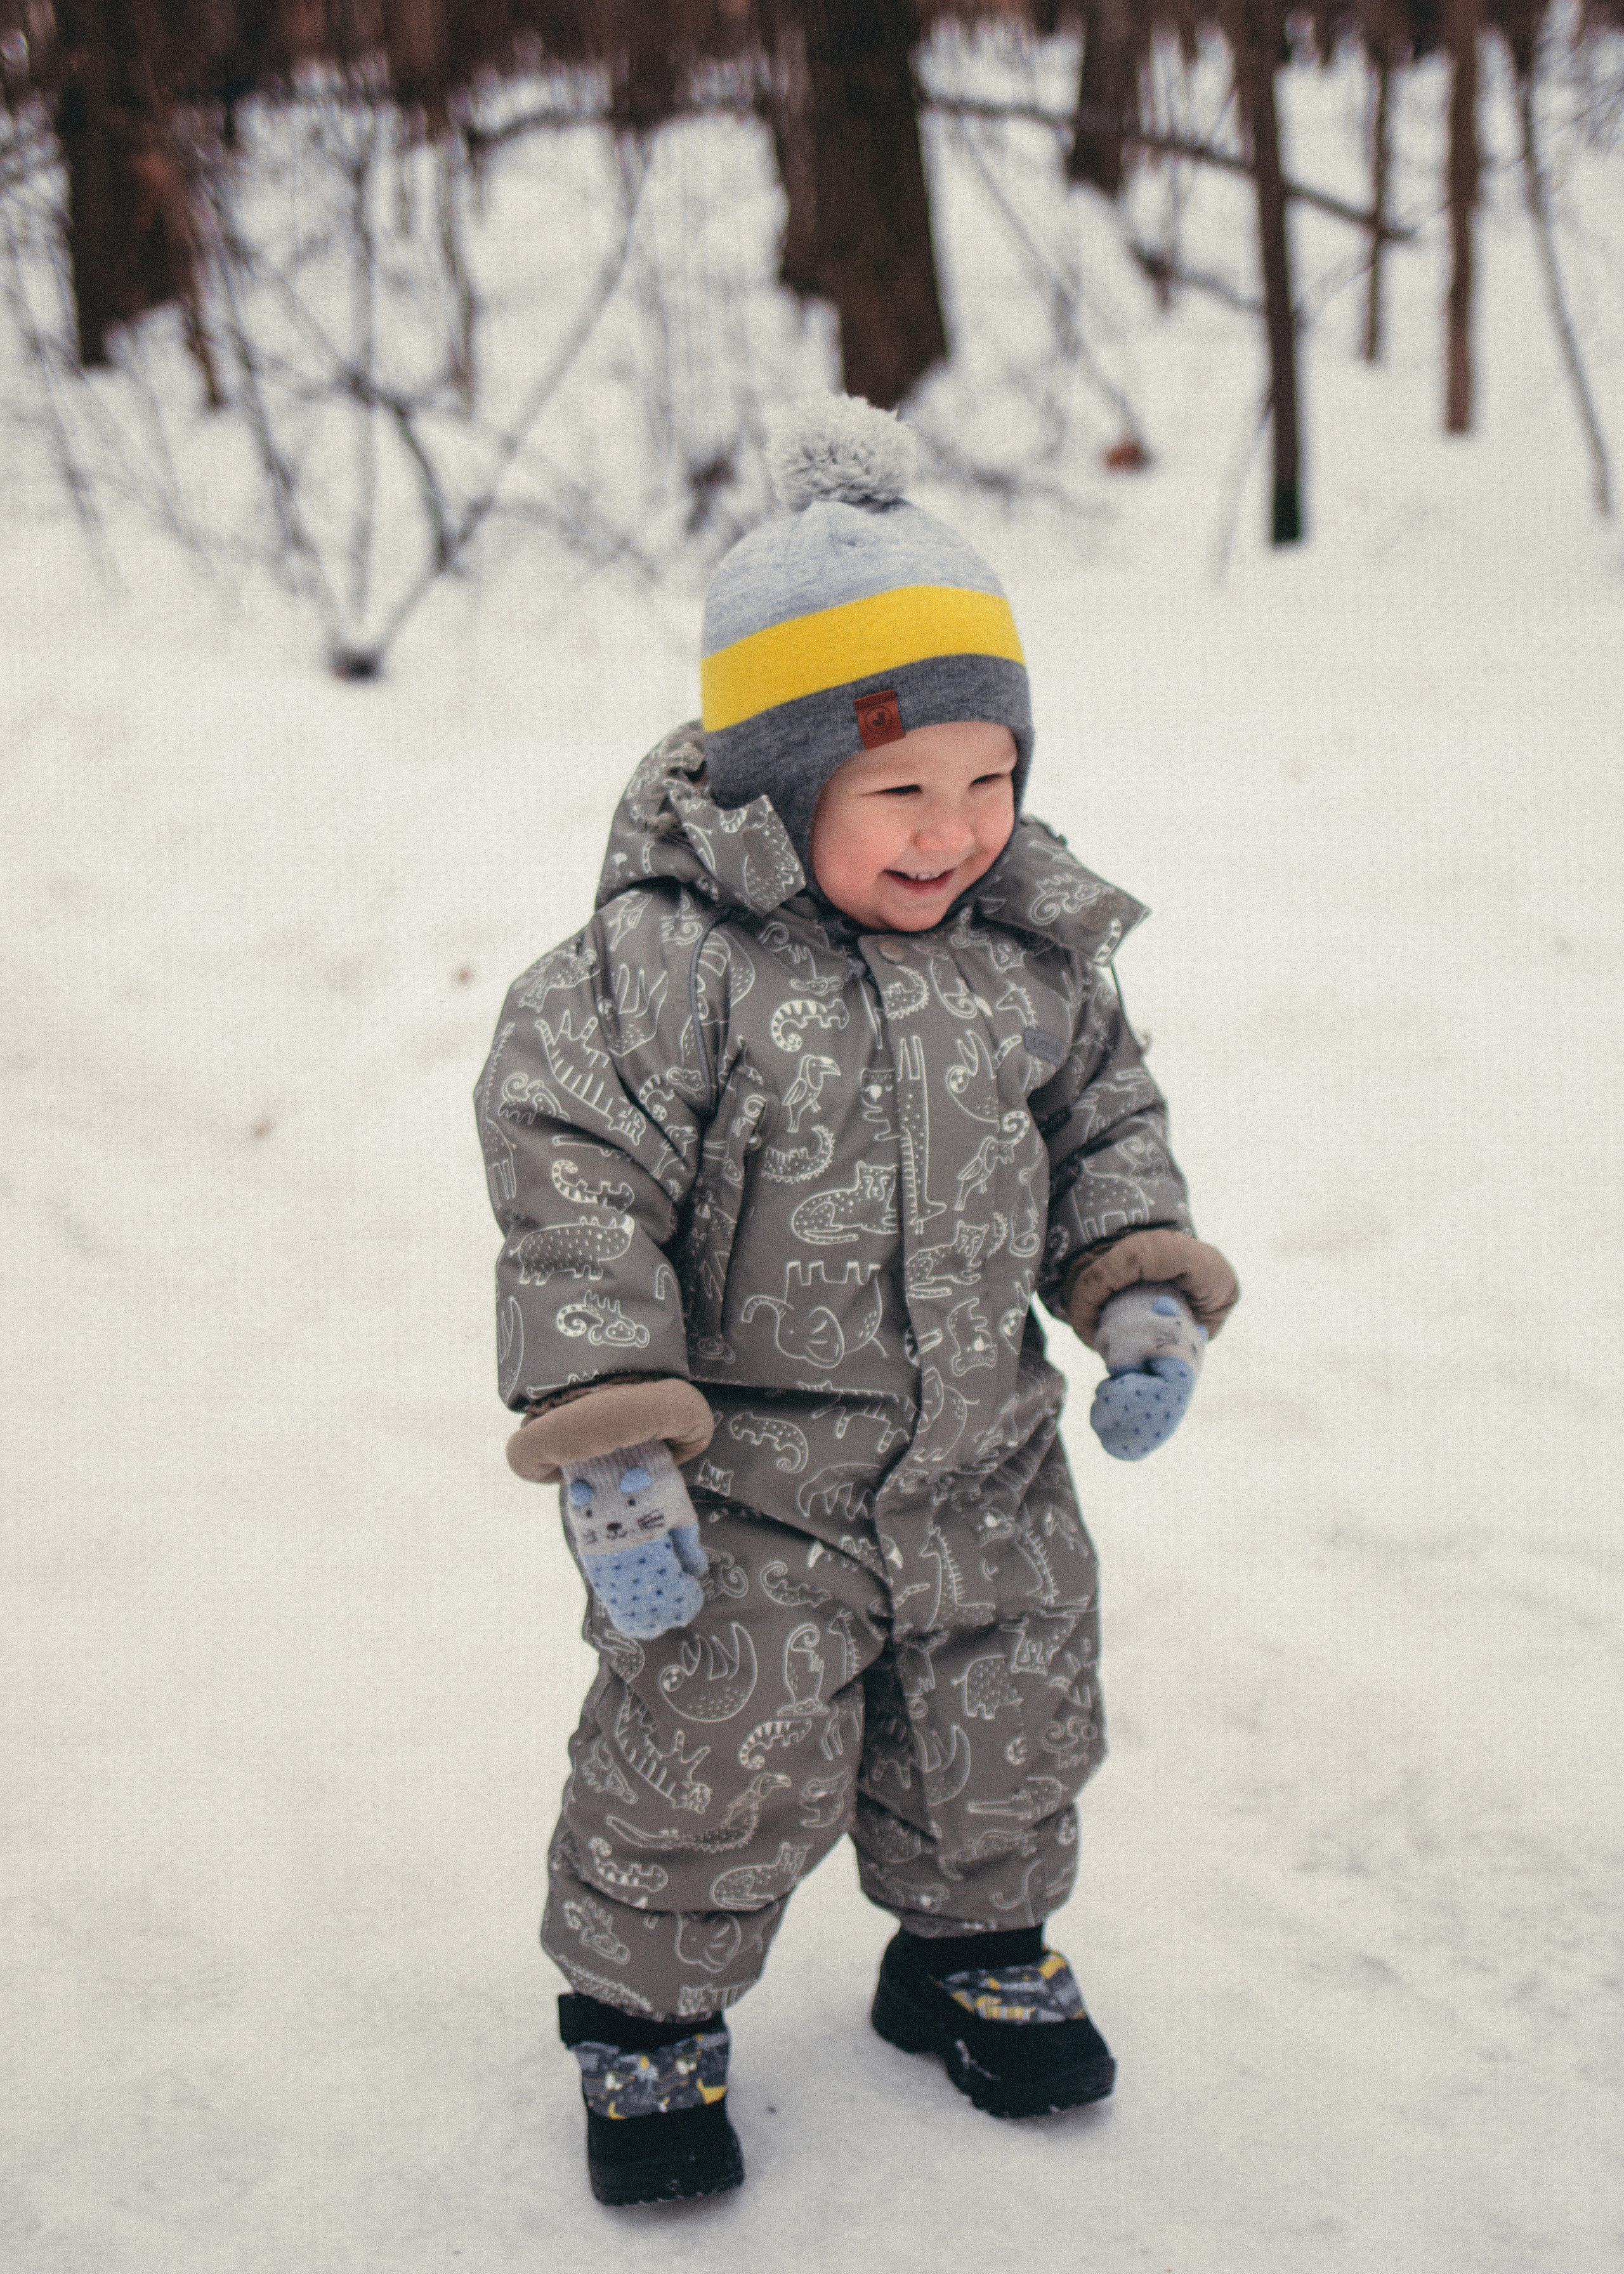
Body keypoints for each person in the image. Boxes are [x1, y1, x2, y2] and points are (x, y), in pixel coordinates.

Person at [475, 394, 1239, 2206]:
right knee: (708, 1750)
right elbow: (576, 1184)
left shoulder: (1034, 954)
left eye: (991, 781)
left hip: (982, 1450)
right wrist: (612, 1436)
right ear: (780, 782)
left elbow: (1103, 1120)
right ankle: (644, 2017)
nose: (953, 832)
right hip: (739, 1480)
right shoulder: (660, 974)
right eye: (899, 792)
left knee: (1008, 1715)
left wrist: (1134, 1279)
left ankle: (972, 1950)